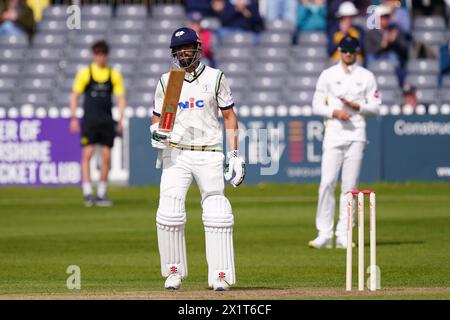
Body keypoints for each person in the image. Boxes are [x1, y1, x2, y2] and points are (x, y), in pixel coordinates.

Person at [150, 27, 245, 291]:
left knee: (217, 212)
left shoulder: (215, 78)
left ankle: (220, 275)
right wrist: (155, 132)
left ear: (197, 48)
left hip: (209, 151)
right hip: (176, 152)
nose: (182, 53)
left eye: (186, 48)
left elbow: (229, 116)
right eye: (178, 49)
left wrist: (235, 155)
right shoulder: (168, 81)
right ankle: (173, 272)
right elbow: (158, 118)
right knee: (169, 212)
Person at [309, 36, 381, 249]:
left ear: (357, 51)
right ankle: (324, 233)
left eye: (351, 50)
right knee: (327, 183)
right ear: (339, 51)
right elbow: (316, 105)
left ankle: (344, 234)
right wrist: (335, 112)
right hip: (333, 134)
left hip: (357, 135)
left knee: (350, 187)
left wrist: (358, 107)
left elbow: (376, 107)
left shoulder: (366, 76)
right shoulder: (328, 75)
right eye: (344, 50)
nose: (348, 54)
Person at [70, 40, 126, 207]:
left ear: (106, 55)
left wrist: (121, 119)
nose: (100, 56)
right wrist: (73, 118)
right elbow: (75, 96)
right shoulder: (85, 73)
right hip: (90, 121)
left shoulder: (113, 74)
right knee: (87, 154)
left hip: (107, 121)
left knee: (106, 157)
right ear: (93, 54)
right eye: (97, 53)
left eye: (103, 53)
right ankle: (87, 192)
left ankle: (101, 193)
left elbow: (121, 98)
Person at [365, 5, 408, 84]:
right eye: (383, 17)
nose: (385, 19)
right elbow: (368, 51)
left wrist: (395, 41)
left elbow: (404, 49)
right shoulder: (371, 33)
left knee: (394, 57)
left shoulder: (395, 31)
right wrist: (383, 45)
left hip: (390, 60)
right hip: (375, 59)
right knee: (370, 58)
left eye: (387, 17)